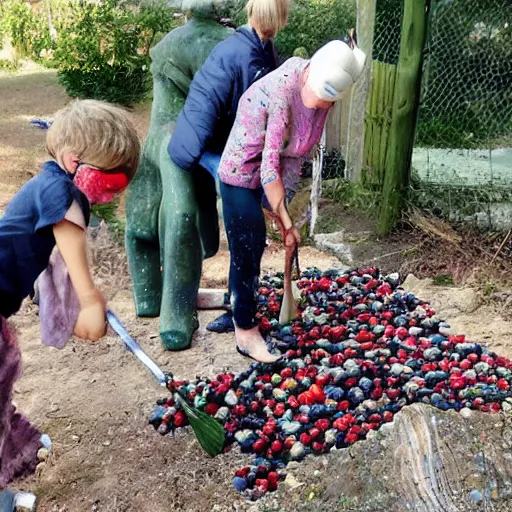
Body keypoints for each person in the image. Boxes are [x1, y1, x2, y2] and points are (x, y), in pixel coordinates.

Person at [0, 99, 140, 487]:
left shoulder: (48, 184)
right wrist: (90, 298)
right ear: (71, 158)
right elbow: (68, 234)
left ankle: (16, 444)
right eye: (110, 183)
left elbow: (40, 257)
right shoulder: (61, 192)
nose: (111, 196)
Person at [218, 39, 366, 363]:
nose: (323, 106)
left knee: (251, 246)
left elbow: (297, 154)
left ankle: (235, 305)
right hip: (242, 170)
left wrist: (287, 214)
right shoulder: (283, 93)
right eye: (322, 97)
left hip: (274, 172)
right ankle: (244, 330)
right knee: (249, 241)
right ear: (311, 74)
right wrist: (286, 222)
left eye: (330, 100)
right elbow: (268, 166)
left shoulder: (325, 94)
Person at [168, 0, 291, 335]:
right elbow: (205, 111)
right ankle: (240, 310)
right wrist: (218, 162)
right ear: (253, 15)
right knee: (245, 230)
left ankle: (243, 299)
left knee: (251, 234)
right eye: (265, 21)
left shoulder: (265, 49)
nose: (269, 28)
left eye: (274, 22)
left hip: (237, 145)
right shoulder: (235, 54)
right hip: (208, 148)